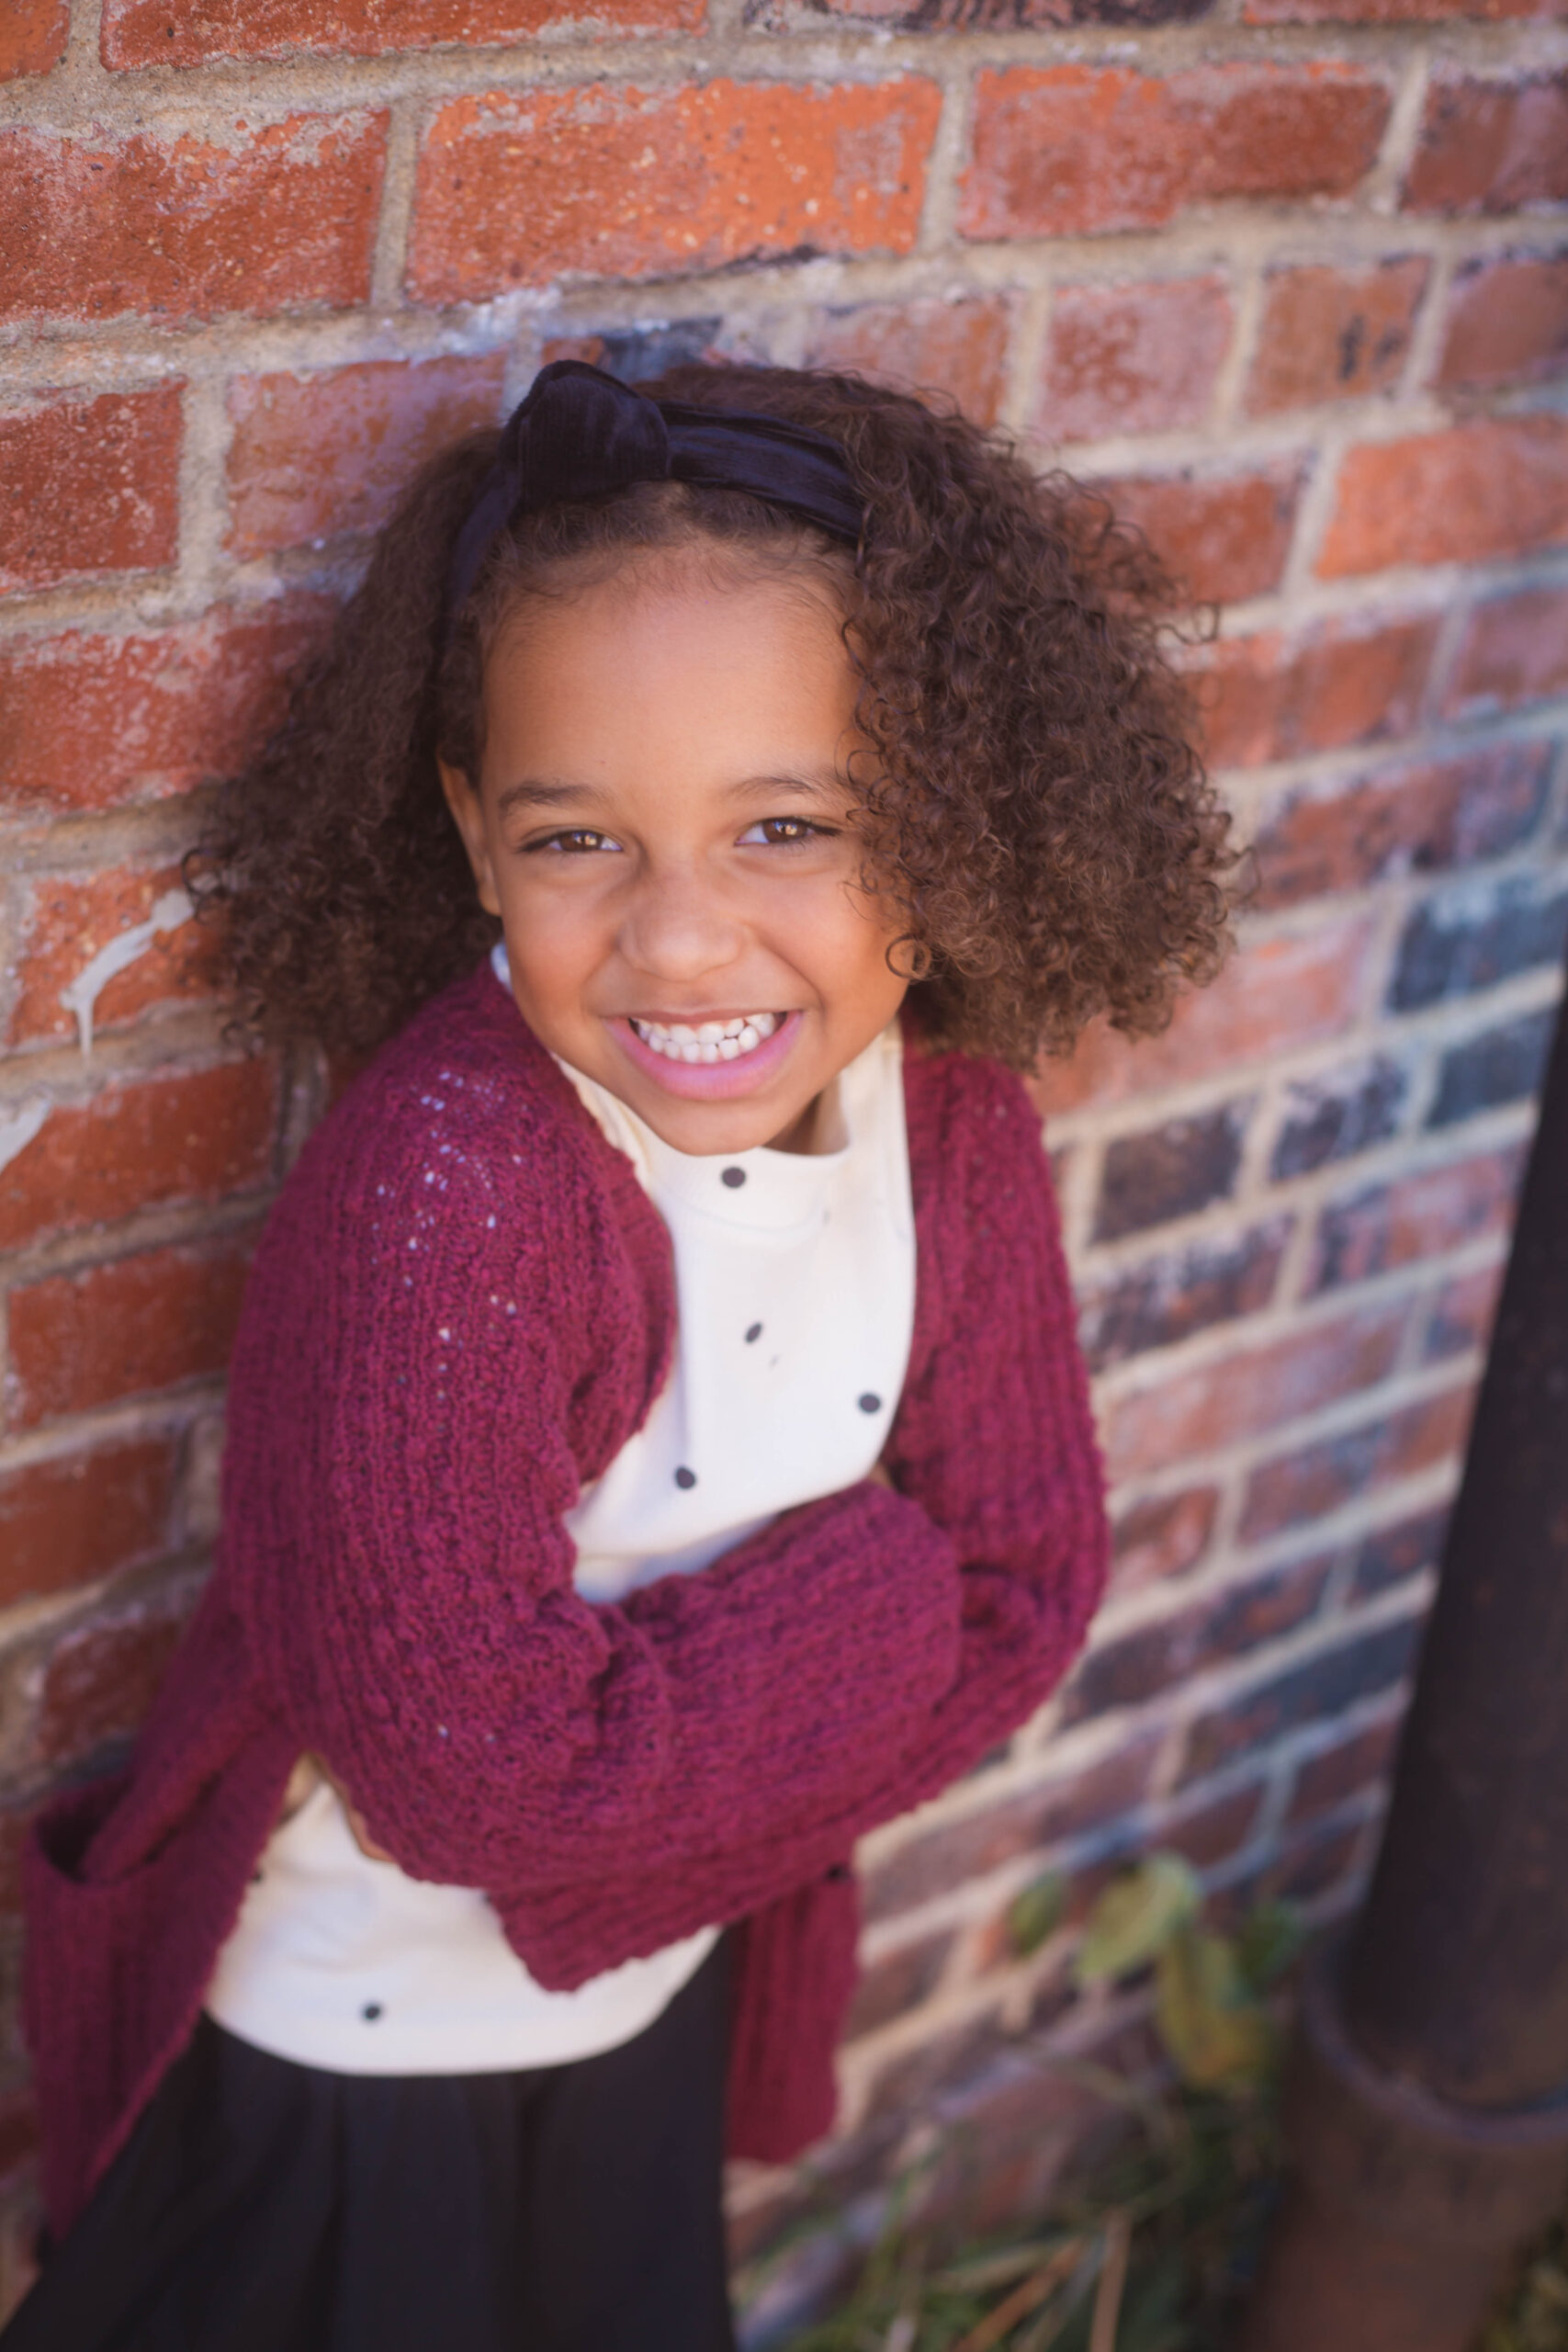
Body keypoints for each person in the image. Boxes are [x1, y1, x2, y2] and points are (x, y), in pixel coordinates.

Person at [7, 359, 1233, 2352]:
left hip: (653, 1988)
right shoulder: (452, 1188)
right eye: (581, 838)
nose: (678, 939)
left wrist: (650, 1776)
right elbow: (466, 1786)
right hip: (348, 2061)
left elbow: (1029, 1585)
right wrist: (881, 1598)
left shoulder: (951, 1129)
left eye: (785, 825)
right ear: (476, 834)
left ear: (948, 824)